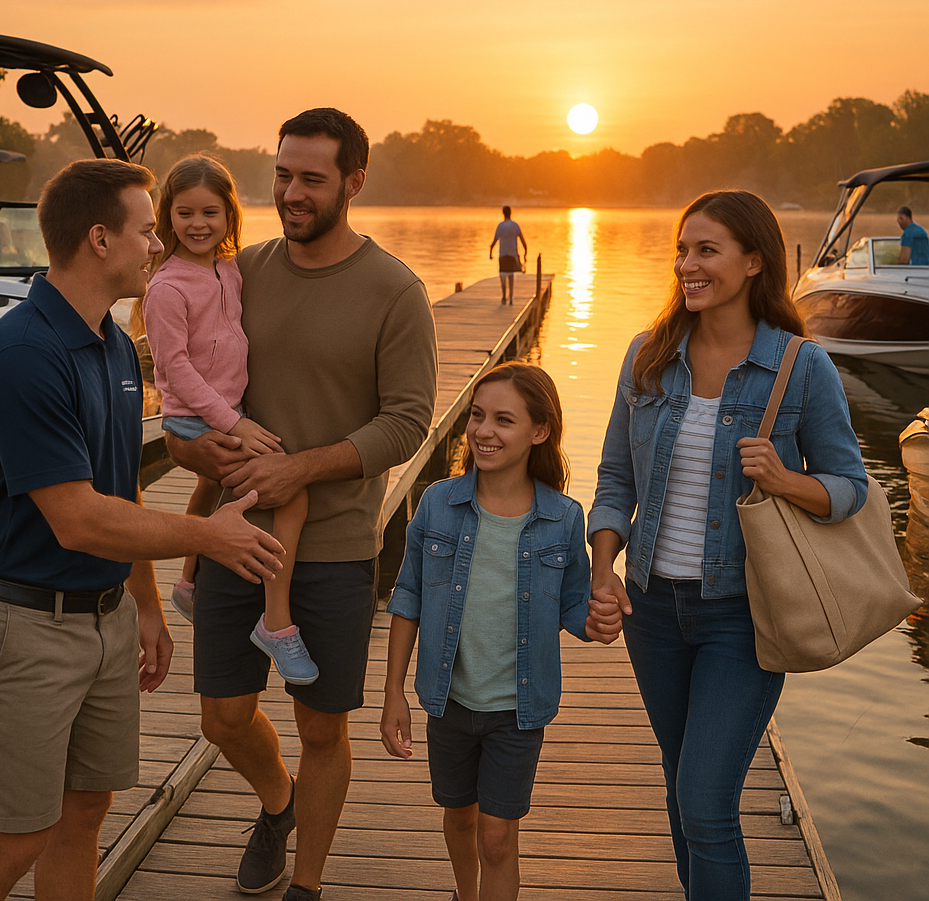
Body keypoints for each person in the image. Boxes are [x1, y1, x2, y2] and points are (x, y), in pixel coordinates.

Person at [0, 159, 286, 901]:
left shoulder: (118, 347)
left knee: (84, 811)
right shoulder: (27, 353)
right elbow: (78, 518)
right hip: (22, 625)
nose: (157, 245)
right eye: (146, 230)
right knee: (14, 834)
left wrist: (147, 607)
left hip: (104, 617)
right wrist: (207, 537)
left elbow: (117, 489)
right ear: (99, 238)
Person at [166, 108, 438, 901]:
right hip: (230, 532)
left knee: (321, 726)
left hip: (335, 547)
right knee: (222, 716)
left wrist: (305, 471)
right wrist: (193, 453)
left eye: (311, 177)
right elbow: (192, 397)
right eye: (282, 174)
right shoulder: (235, 270)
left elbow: (409, 419)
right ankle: (277, 803)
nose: (291, 191)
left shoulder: (395, 291)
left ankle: (307, 886)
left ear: (354, 182)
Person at [586, 190, 867, 901]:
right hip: (651, 611)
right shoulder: (647, 357)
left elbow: (850, 486)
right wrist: (603, 568)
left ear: (752, 262)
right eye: (682, 249)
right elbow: (616, 476)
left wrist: (784, 479)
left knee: (707, 803)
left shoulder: (802, 367)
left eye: (705, 250)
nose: (687, 264)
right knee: (683, 799)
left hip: (741, 617)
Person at [381, 362, 612, 901]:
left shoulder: (562, 518)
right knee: (459, 817)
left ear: (539, 431)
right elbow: (408, 596)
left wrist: (597, 621)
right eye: (477, 416)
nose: (485, 431)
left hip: (518, 707)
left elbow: (574, 604)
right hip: (449, 700)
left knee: (498, 835)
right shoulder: (439, 504)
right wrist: (393, 692)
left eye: (504, 420)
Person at [140, 155, 315, 685]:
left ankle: (189, 581)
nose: (198, 224)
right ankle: (276, 620)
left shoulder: (229, 268)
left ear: (229, 215)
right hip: (199, 418)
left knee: (212, 488)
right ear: (167, 216)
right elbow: (176, 370)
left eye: (210, 213)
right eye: (185, 213)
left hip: (226, 411)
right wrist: (232, 424)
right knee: (292, 490)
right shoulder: (167, 288)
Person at [489, 205, 528, 305]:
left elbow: (495, 240)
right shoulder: (515, 226)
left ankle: (503, 296)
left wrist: (490, 252)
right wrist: (525, 253)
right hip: (513, 254)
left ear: (503, 213)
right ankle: (510, 297)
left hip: (502, 254)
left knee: (502, 275)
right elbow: (522, 240)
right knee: (511, 276)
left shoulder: (500, 226)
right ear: (511, 213)